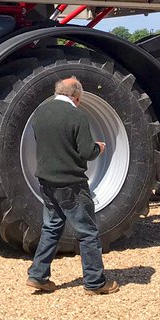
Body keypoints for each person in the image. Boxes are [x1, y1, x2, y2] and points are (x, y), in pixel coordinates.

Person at [26, 77, 119, 295]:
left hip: (46, 182)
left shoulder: (40, 112)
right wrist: (99, 148)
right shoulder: (77, 115)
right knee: (87, 232)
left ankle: (38, 275)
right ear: (76, 97)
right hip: (71, 183)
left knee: (51, 227)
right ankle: (95, 282)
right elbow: (86, 152)